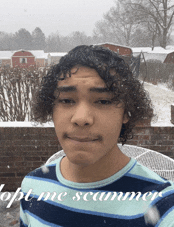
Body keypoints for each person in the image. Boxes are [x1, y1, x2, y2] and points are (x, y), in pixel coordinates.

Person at [20, 45, 174, 227]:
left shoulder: (163, 205)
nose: (81, 118)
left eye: (103, 101)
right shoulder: (32, 185)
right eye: (67, 100)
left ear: (126, 112)